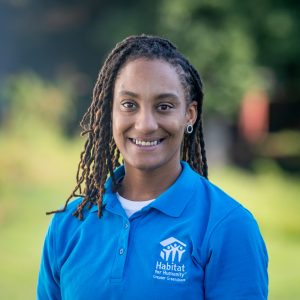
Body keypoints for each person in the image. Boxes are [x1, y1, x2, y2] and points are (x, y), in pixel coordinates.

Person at [37, 34, 268, 299]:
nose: (145, 124)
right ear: (110, 111)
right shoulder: (68, 224)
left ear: (189, 114)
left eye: (164, 106)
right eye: (129, 105)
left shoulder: (229, 226)